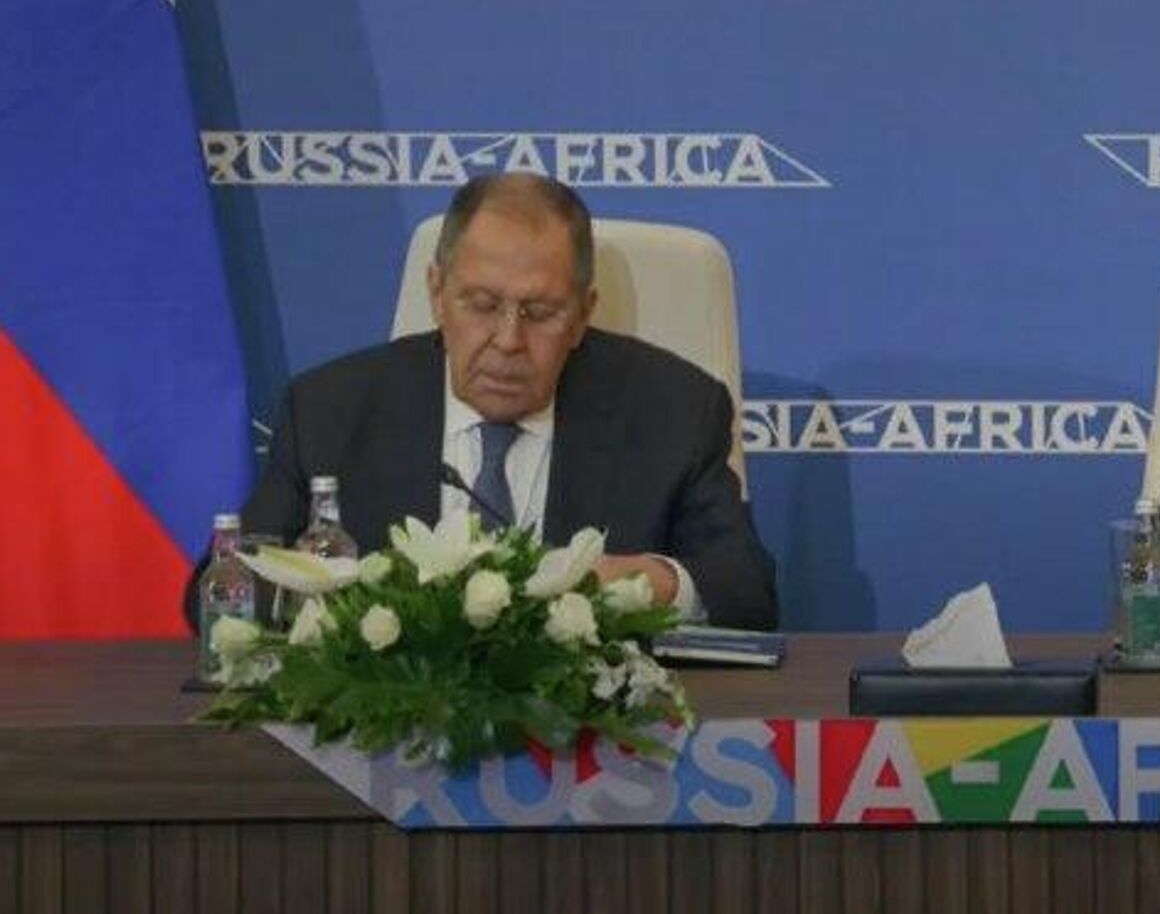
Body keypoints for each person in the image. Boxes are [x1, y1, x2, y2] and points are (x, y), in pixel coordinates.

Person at [227, 172, 777, 629]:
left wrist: (650, 582)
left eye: (540, 313)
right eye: (483, 304)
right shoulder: (331, 411)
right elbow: (227, 588)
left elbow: (747, 592)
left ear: (583, 314)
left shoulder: (673, 411)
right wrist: (318, 591)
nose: (509, 340)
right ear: (437, 293)